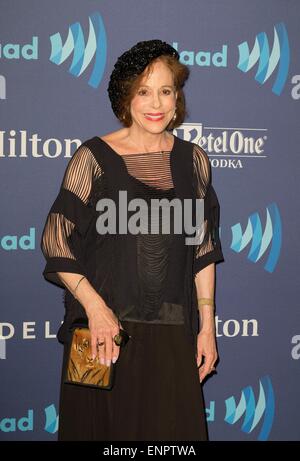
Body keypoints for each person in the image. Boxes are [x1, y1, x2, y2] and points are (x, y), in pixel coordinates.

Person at [40, 39, 224, 441]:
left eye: (165, 90)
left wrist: (206, 326)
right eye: (143, 91)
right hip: (106, 335)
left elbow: (204, 249)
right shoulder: (93, 157)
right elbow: (55, 240)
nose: (155, 103)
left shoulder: (193, 161)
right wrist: (95, 307)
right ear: (126, 98)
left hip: (173, 334)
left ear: (178, 98)